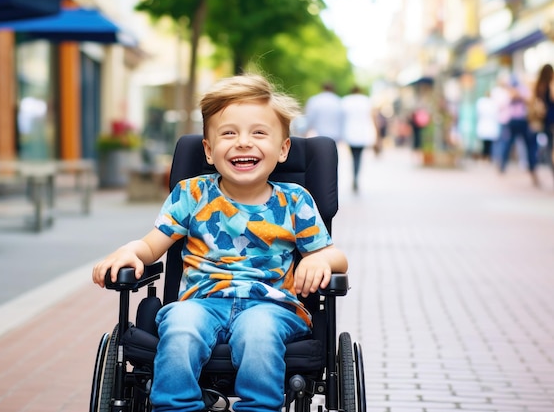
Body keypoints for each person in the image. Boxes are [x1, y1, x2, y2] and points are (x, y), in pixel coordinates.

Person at [92, 74, 348, 412]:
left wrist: (320, 260)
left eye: (259, 132)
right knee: (181, 327)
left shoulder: (295, 200)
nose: (243, 142)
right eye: (229, 133)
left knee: (259, 333)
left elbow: (336, 258)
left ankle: (257, 408)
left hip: (271, 307)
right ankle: (177, 408)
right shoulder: (192, 194)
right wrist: (130, 250)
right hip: (200, 302)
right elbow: (152, 246)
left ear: (283, 148)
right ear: (209, 151)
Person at [498, 76, 540, 186]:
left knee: (528, 145)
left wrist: (519, 95)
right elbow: (503, 104)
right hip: (513, 121)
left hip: (523, 120)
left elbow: (529, 100)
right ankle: (502, 165)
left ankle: (532, 168)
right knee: (508, 143)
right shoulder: (508, 91)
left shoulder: (522, 90)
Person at [341, 85, 378, 192]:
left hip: (349, 133)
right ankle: (356, 177)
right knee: (359, 157)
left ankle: (354, 176)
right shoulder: (366, 101)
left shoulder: (346, 101)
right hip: (362, 134)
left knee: (353, 156)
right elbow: (372, 117)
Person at [533, 63, 554, 183]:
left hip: (545, 120)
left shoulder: (539, 86)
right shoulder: (550, 84)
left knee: (549, 146)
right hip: (552, 118)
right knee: (552, 148)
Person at [475, 90, 500, 161]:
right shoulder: (485, 102)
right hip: (487, 125)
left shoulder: (488, 103)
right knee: (486, 143)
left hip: (488, 125)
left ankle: (487, 156)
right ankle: (486, 156)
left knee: (488, 143)